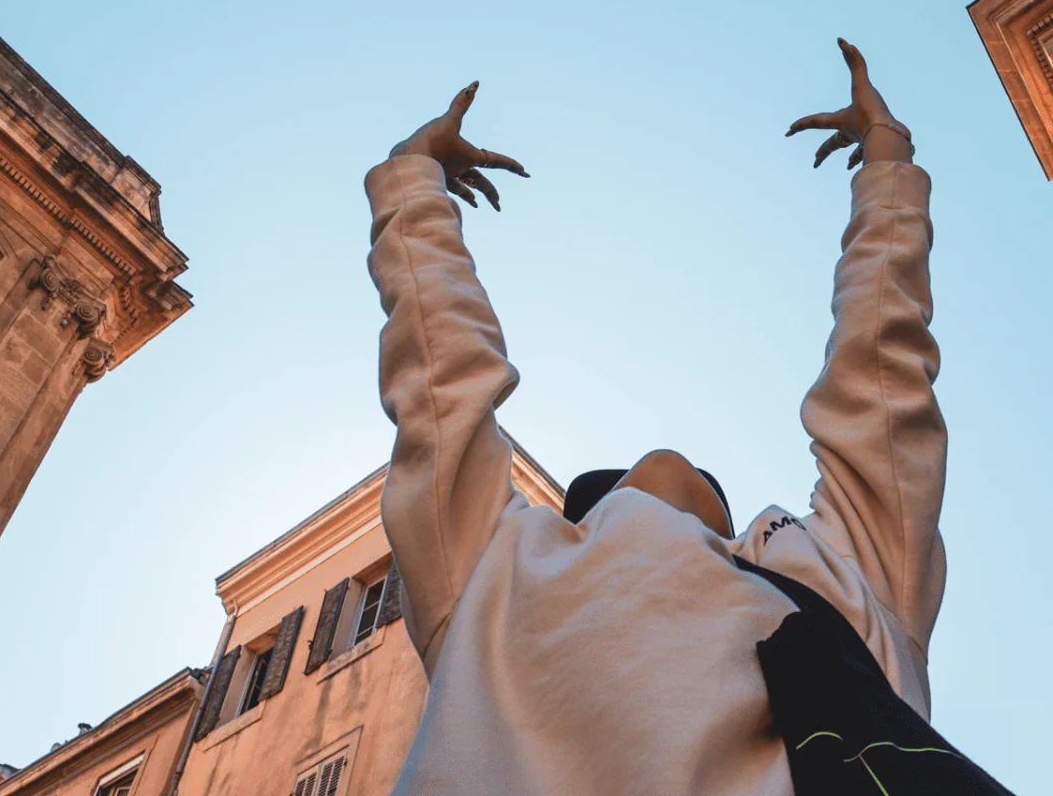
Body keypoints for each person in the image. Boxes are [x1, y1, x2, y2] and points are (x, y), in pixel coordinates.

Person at [366, 39, 1007, 795]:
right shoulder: (493, 569)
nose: (663, 464)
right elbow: (441, 378)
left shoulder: (837, 571)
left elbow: (883, 379)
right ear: (582, 519)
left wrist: (888, 165)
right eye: (616, 489)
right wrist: (411, 181)